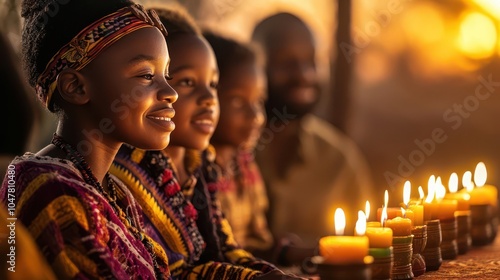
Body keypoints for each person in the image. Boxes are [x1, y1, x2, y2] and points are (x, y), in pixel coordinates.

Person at [111, 7, 305, 280]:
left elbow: (226, 249)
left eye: (213, 84)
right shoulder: (127, 176)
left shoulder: (200, 164)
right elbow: (172, 272)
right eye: (188, 82)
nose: (208, 99)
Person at [0, 1, 177, 278]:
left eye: (167, 75)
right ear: (76, 87)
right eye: (146, 75)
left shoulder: (116, 193)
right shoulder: (50, 189)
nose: (170, 92)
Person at [252, 12, 375, 260]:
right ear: (254, 67)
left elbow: (366, 247)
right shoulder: (223, 153)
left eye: (311, 62)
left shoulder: (340, 159)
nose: (304, 75)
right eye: (286, 63)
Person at [203, 32, 274, 253]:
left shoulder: (244, 164)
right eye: (237, 100)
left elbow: (260, 241)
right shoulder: (196, 169)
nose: (256, 115)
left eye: (259, 100)